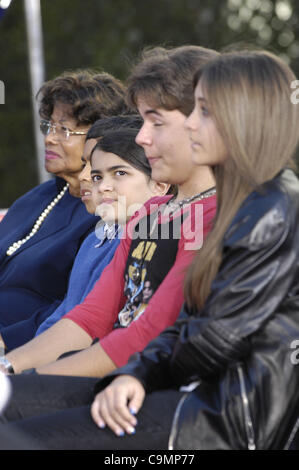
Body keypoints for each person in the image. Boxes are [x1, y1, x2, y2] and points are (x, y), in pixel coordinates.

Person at [1, 48, 298, 451]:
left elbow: (210, 335)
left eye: (202, 112)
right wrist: (14, 370)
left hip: (213, 414)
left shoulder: (261, 206)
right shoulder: (209, 206)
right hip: (179, 391)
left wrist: (135, 374)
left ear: (239, 117)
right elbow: (101, 315)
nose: (142, 137)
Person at [0, 45, 217, 381]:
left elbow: (147, 333)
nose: (143, 137)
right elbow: (88, 316)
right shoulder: (151, 214)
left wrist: (27, 380)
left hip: (145, 389)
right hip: (100, 369)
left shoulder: (216, 216)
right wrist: (9, 369)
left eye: (155, 122)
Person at [0, 69, 130, 351]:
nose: (49, 138)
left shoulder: (107, 210)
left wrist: (7, 341)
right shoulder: (41, 196)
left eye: (65, 130)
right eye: (49, 126)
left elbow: (77, 304)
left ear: (102, 135)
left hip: (28, 345)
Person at [35, 114, 149, 335]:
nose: (85, 176)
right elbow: (65, 314)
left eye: (119, 172)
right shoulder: (95, 238)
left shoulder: (152, 236)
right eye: (89, 166)